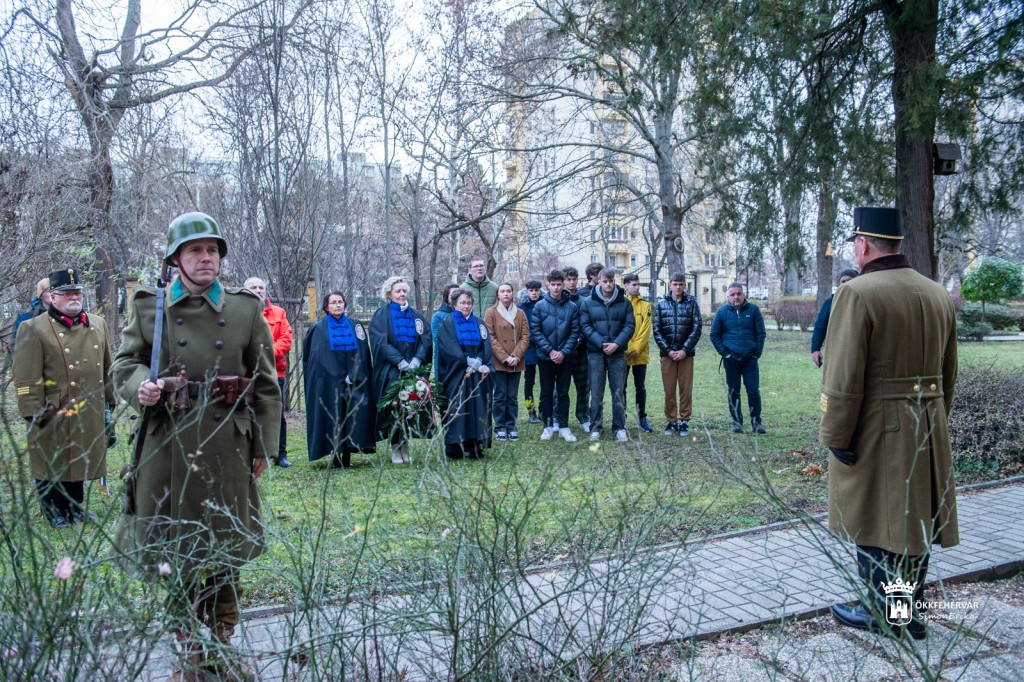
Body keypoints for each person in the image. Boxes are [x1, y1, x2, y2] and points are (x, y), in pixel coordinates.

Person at [110, 212, 281, 680]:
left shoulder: (245, 309)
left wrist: (263, 446)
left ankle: (222, 645)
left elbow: (266, 384)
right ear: (175, 259)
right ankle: (189, 649)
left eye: (212, 251)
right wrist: (142, 387)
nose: (206, 258)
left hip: (228, 446)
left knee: (226, 549)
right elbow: (123, 365)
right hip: (168, 446)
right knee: (177, 551)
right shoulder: (151, 307)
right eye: (195, 250)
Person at [821, 206, 958, 640]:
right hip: (928, 424)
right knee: (913, 525)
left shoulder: (858, 293)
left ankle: (887, 615)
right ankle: (907, 613)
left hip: (878, 428)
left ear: (863, 244)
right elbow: (949, 372)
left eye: (855, 245)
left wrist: (835, 433)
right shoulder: (937, 293)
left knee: (876, 522)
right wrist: (935, 418)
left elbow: (843, 376)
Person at [13, 268, 114, 528]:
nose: (74, 297)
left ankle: (73, 508)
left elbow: (107, 369)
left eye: (77, 292)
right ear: (53, 297)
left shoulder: (98, 324)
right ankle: (52, 510)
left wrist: (109, 403)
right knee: (51, 460)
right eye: (67, 293)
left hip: (89, 405)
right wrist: (32, 411)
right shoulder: (33, 328)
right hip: (52, 408)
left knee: (79, 457)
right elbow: (25, 376)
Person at [303, 291, 376, 469]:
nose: (338, 305)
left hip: (354, 380)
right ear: (326, 307)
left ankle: (348, 454)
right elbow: (315, 358)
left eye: (340, 302)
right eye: (333, 302)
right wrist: (333, 375)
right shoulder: (318, 329)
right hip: (329, 382)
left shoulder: (355, 325)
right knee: (333, 417)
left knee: (352, 416)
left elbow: (363, 352)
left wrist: (354, 373)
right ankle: (335, 455)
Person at [369, 276, 432, 464]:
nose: (402, 294)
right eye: (398, 291)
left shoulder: (416, 315)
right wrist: (399, 361)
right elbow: (380, 341)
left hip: (413, 370)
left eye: (404, 291)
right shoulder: (381, 315)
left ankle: (405, 447)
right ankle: (396, 448)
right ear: (389, 294)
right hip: (391, 371)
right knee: (395, 409)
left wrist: (417, 359)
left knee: (410, 407)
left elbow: (425, 338)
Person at [579, 268, 635, 442]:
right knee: (596, 391)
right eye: (605, 281)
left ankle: (619, 427)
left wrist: (616, 344)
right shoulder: (588, 302)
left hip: (617, 354)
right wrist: (601, 343)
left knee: (618, 391)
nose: (608, 284)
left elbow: (629, 326)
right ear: (599, 281)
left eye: (611, 281)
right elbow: (585, 326)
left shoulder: (625, 302)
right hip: (596, 353)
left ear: (614, 281)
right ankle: (596, 427)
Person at [436, 289, 493, 459]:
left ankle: (475, 445)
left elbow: (486, 344)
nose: (466, 306)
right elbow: (447, 347)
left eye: (469, 303)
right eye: (462, 303)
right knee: (457, 407)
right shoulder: (446, 323)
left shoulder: (479, 322)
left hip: (478, 373)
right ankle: (454, 446)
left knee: (478, 408)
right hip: (456, 373)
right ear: (454, 304)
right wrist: (466, 360)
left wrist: (479, 361)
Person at [244, 276, 294, 468]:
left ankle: (280, 455)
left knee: (276, 415)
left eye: (261, 287)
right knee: (247, 413)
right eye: (253, 287)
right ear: (246, 291)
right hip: (247, 374)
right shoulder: (239, 314)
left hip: (274, 373)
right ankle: (251, 452)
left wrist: (264, 354)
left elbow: (286, 339)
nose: (258, 290)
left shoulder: (279, 313)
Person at [530, 270, 581, 442]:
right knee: (546, 393)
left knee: (563, 392)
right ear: (548, 284)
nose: (556, 288)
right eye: (553, 284)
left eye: (559, 284)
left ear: (563, 284)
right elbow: (536, 331)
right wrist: (551, 351)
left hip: (566, 358)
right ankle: (548, 426)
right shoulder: (539, 306)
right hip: (546, 358)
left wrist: (563, 352)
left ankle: (564, 427)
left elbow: (575, 332)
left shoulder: (572, 307)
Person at [710, 282, 767, 434]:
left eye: (739, 294)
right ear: (728, 296)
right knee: (733, 391)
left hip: (750, 359)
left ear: (743, 294)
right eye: (733, 294)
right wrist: (725, 354)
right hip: (731, 359)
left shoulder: (753, 310)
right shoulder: (722, 312)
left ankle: (756, 422)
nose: (736, 297)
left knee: (753, 391)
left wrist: (756, 354)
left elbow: (761, 333)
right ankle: (737, 422)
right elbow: (714, 335)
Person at [653, 272, 703, 437]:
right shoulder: (662, 304)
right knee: (669, 389)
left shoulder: (691, 303)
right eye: (675, 284)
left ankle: (684, 420)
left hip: (685, 354)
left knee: (685, 389)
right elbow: (657, 330)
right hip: (667, 354)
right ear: (670, 285)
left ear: (684, 285)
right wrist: (668, 350)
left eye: (681, 284)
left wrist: (684, 350)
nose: (678, 287)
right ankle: (671, 420)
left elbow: (696, 328)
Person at [485, 282, 530, 441]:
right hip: (499, 361)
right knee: (500, 395)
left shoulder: (520, 313)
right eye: (502, 291)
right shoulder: (491, 312)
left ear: (512, 293)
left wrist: (516, 356)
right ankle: (499, 427)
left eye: (508, 291)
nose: (505, 294)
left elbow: (525, 336)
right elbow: (490, 337)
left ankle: (511, 426)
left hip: (516, 361)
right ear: (498, 294)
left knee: (512, 396)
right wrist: (505, 357)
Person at [622, 273, 654, 433]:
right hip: (623, 353)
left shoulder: (646, 305)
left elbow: (646, 330)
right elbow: (619, 328)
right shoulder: (620, 304)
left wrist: (636, 348)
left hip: (640, 354)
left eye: (638, 284)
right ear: (626, 285)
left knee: (640, 387)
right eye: (634, 284)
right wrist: (628, 348)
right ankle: (621, 417)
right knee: (621, 387)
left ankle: (642, 417)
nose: (637, 287)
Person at [561, 266, 591, 431]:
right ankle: (558, 418)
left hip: (581, 349)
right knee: (560, 387)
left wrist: (579, 339)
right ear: (563, 281)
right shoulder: (558, 300)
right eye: (568, 279)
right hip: (563, 350)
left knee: (583, 386)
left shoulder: (583, 301)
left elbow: (586, 323)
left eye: (574, 279)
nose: (571, 283)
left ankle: (583, 416)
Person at [811, 268, 859, 367]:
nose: (846, 283)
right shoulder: (830, 303)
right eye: (843, 281)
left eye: (850, 280)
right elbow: (820, 327)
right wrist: (815, 349)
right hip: (835, 351)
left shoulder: (862, 302)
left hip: (858, 350)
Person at [519, 281, 543, 424]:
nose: (534, 293)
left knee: (546, 383)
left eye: (536, 290)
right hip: (528, 350)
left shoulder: (546, 304)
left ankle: (544, 410)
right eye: (531, 290)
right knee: (529, 383)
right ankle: (531, 412)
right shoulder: (521, 308)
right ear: (527, 291)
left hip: (544, 348)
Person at [12, 276, 51, 348]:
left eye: (56, 290)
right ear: (41, 295)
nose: (53, 293)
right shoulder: (26, 319)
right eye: (49, 290)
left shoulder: (66, 315)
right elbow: (17, 346)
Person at [431, 283, 460, 373]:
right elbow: (437, 339)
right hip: (445, 359)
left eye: (459, 293)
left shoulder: (465, 315)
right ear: (446, 297)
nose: (457, 296)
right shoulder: (438, 316)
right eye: (453, 294)